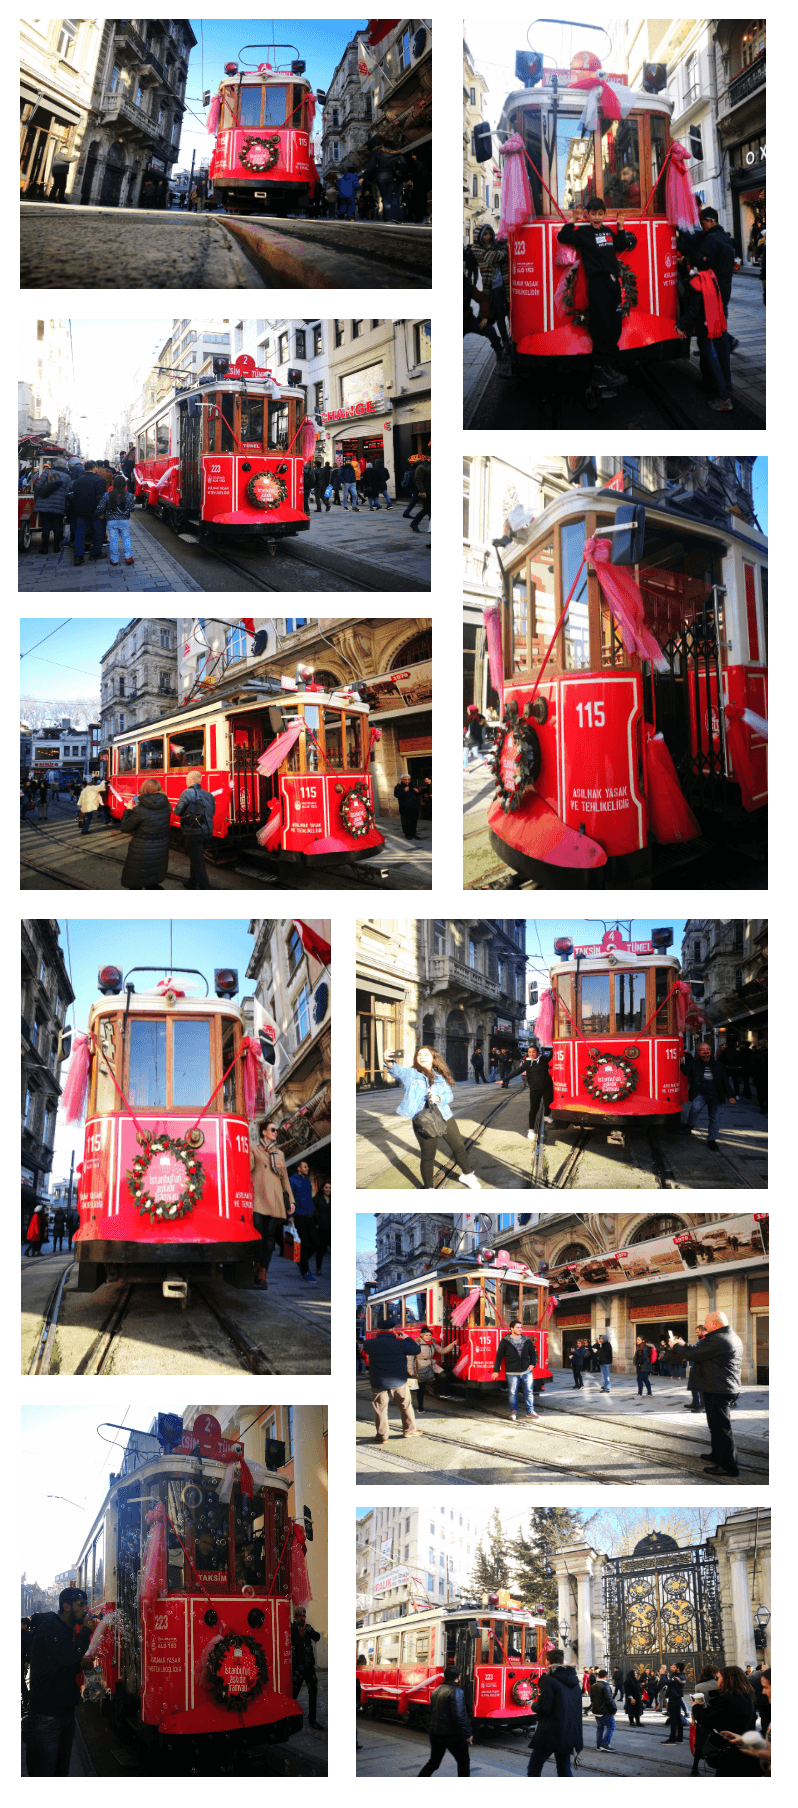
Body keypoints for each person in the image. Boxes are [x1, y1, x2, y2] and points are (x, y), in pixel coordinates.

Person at [557, 196, 637, 385]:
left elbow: (621, 244)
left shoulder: (608, 231)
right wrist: (573, 220)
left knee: (614, 325)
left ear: (604, 215)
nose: (597, 218)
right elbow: (563, 236)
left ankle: (608, 366)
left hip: (613, 283)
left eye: (600, 214)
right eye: (593, 214)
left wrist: (620, 226)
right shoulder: (583, 233)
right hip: (597, 284)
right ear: (588, 214)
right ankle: (599, 370)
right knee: (600, 327)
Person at [384, 1047, 481, 1190]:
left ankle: (467, 1175)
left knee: (459, 1147)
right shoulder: (410, 1074)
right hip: (422, 1119)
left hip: (444, 1115)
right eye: (419, 1055)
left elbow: (450, 1096)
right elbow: (396, 1071)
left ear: (433, 1057)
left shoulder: (440, 1076)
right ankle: (429, 1188)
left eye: (425, 1054)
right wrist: (388, 1060)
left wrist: (438, 1098)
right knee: (428, 1155)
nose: (422, 1057)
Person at [27, 1585, 96, 1776]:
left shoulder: (64, 1628)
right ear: (67, 1607)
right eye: (81, 1605)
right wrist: (85, 1633)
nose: (85, 1609)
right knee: (47, 1772)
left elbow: (61, 1666)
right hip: (48, 1715)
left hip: (64, 1712)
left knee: (60, 1770)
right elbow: (67, 1656)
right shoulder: (52, 1627)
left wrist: (81, 1665)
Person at [668, 1310, 743, 1477]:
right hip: (718, 1387)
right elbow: (698, 1349)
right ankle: (717, 1455)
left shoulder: (718, 1339)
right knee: (715, 1427)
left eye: (706, 1322)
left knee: (721, 1429)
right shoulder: (725, 1336)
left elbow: (692, 1354)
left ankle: (729, 1467)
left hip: (719, 1389)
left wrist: (676, 1346)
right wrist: (683, 1344)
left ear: (714, 1324)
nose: (705, 1325)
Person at [692, 1664, 757, 1775]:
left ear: (726, 1680)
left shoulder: (726, 1699)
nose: (717, 1680)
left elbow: (708, 1721)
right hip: (743, 1747)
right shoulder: (745, 1696)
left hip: (729, 1750)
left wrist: (697, 1707)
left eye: (719, 1678)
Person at [527, 1648, 583, 1776]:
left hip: (549, 1733)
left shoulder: (548, 1679)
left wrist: (533, 1705)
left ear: (547, 1662)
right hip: (568, 1732)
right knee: (564, 1769)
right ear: (562, 1662)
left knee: (534, 1767)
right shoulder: (574, 1679)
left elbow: (544, 1708)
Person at [249, 1120, 292, 1288]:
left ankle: (262, 1272)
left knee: (269, 1238)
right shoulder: (253, 1149)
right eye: (272, 1130)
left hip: (275, 1200)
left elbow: (285, 1179)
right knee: (259, 1235)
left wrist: (291, 1200)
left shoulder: (279, 1154)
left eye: (276, 1130)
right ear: (264, 1132)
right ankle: (257, 1265)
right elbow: (249, 1168)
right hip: (258, 1199)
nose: (275, 1132)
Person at [365, 1326, 424, 1443]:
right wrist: (407, 1338)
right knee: (405, 1405)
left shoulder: (369, 1343)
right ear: (393, 1330)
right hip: (398, 1381)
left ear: (378, 1330)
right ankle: (409, 1431)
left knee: (380, 1409)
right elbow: (416, 1350)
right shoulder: (400, 1343)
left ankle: (382, 1436)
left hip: (378, 1381)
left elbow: (365, 1353)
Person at [418, 1662, 472, 1775]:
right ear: (458, 1677)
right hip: (452, 1735)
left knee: (433, 1762)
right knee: (463, 1762)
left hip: (435, 1733)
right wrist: (467, 1734)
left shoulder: (436, 1691)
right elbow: (459, 1716)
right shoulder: (456, 1691)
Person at [119, 777, 171, 889]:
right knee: (152, 882)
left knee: (135, 883)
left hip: (141, 851)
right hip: (160, 850)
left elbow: (124, 828)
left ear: (143, 790)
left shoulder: (139, 809)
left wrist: (128, 810)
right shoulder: (166, 805)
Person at [174, 767, 215, 889]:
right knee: (196, 857)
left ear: (190, 780)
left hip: (194, 832)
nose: (186, 781)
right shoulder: (209, 795)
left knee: (198, 862)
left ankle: (205, 887)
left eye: (187, 779)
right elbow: (211, 812)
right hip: (207, 832)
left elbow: (178, 811)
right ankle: (191, 883)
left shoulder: (187, 793)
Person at [492, 1319, 540, 1423]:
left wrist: (532, 1364)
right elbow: (499, 1356)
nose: (520, 1329)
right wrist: (496, 1370)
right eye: (518, 1327)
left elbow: (533, 1353)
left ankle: (530, 1412)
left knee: (529, 1392)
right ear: (512, 1328)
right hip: (511, 1372)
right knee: (512, 1393)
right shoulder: (505, 1341)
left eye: (521, 1327)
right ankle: (513, 1412)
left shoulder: (526, 1340)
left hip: (526, 1371)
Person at [69, 460, 107, 564]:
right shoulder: (100, 480)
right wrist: (102, 511)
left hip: (80, 511)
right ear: (95, 468)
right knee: (99, 532)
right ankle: (95, 553)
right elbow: (101, 498)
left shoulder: (77, 481)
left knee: (80, 533)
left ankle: (78, 556)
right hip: (95, 512)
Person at [291, 1608, 323, 1729]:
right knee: (294, 1694)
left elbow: (317, 1637)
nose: (302, 1618)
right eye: (300, 1616)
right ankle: (291, 1718)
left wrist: (309, 1630)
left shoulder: (308, 1627)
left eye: (304, 1616)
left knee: (313, 1693)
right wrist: (298, 1634)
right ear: (295, 1617)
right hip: (298, 1667)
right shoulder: (292, 1629)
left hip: (309, 1667)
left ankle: (312, 1720)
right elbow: (291, 1643)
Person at [413, 1326, 457, 1412]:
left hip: (431, 1363)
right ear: (422, 1336)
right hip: (421, 1365)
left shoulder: (432, 1343)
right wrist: (411, 1370)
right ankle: (420, 1407)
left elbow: (442, 1351)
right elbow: (411, 1358)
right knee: (421, 1388)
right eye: (426, 1335)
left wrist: (452, 1345)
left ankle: (439, 1392)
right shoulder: (417, 1344)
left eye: (430, 1335)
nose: (428, 1337)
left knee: (443, 1375)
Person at [96, 473, 135, 565]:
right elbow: (132, 509)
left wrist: (100, 514)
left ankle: (114, 559)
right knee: (126, 538)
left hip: (111, 521)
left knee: (113, 539)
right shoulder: (129, 495)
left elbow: (100, 508)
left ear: (113, 483)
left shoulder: (107, 495)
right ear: (124, 484)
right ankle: (128, 557)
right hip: (124, 520)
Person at [33, 462, 72, 555]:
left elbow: (38, 486)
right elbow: (67, 492)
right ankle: (56, 547)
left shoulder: (47, 472)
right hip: (59, 505)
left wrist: (37, 498)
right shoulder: (67, 477)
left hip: (44, 504)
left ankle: (44, 547)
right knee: (57, 525)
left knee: (46, 525)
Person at [290, 1159, 318, 1283]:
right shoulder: (292, 1180)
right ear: (299, 1168)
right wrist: (290, 1215)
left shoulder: (307, 1182)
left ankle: (301, 1261)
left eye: (307, 1167)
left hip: (310, 1215)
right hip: (299, 1215)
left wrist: (314, 1211)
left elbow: (309, 1198)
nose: (307, 1168)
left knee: (316, 1243)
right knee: (304, 1244)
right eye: (305, 1167)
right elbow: (289, 1197)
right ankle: (306, 1271)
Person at [523, 1040, 554, 1140]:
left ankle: (546, 1115)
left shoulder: (543, 1059)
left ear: (537, 1052)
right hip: (535, 1089)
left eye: (533, 1052)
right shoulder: (527, 1063)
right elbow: (516, 1072)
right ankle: (531, 1129)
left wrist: (555, 1046)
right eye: (529, 1052)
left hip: (547, 1087)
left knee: (549, 1103)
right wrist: (504, 1080)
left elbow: (550, 1057)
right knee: (534, 1109)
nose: (531, 1054)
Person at [591, 1668, 616, 1751]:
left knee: (600, 1727)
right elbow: (609, 1700)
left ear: (598, 1676)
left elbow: (592, 1699)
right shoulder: (605, 1686)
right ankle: (605, 1744)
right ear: (606, 1676)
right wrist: (613, 1710)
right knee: (611, 1726)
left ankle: (599, 1745)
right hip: (605, 1711)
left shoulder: (593, 1685)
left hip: (596, 1710)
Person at [684, 1322, 706, 1412]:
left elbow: (697, 1351)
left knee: (700, 1387)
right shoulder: (701, 1341)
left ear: (703, 1331)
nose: (696, 1334)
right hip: (695, 1365)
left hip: (701, 1367)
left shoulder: (706, 1341)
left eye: (697, 1332)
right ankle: (695, 1402)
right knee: (693, 1385)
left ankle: (703, 1405)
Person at [661, 1663, 686, 1743]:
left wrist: (662, 1675)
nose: (672, 1668)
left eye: (674, 1667)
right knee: (678, 1718)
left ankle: (672, 1739)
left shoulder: (678, 1677)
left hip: (674, 1699)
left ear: (678, 1669)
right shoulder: (679, 1676)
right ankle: (679, 1738)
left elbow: (665, 1682)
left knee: (673, 1719)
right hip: (676, 1698)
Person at [393, 773, 421, 840]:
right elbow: (396, 795)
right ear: (402, 779)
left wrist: (418, 792)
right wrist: (403, 791)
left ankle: (413, 834)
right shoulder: (398, 786)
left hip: (414, 807)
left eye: (408, 779)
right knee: (405, 821)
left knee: (414, 821)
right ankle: (407, 834)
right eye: (405, 779)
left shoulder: (413, 785)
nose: (407, 781)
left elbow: (419, 795)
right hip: (404, 807)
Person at [409, 458, 430, 533]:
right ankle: (414, 524)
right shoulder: (421, 467)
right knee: (426, 509)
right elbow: (418, 480)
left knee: (428, 510)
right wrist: (421, 491)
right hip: (426, 492)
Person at [314, 1177, 330, 1276]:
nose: (328, 1189)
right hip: (321, 1228)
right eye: (326, 1187)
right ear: (322, 1188)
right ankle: (318, 1268)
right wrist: (316, 1223)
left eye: (330, 1188)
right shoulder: (317, 1199)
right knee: (320, 1250)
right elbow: (311, 1211)